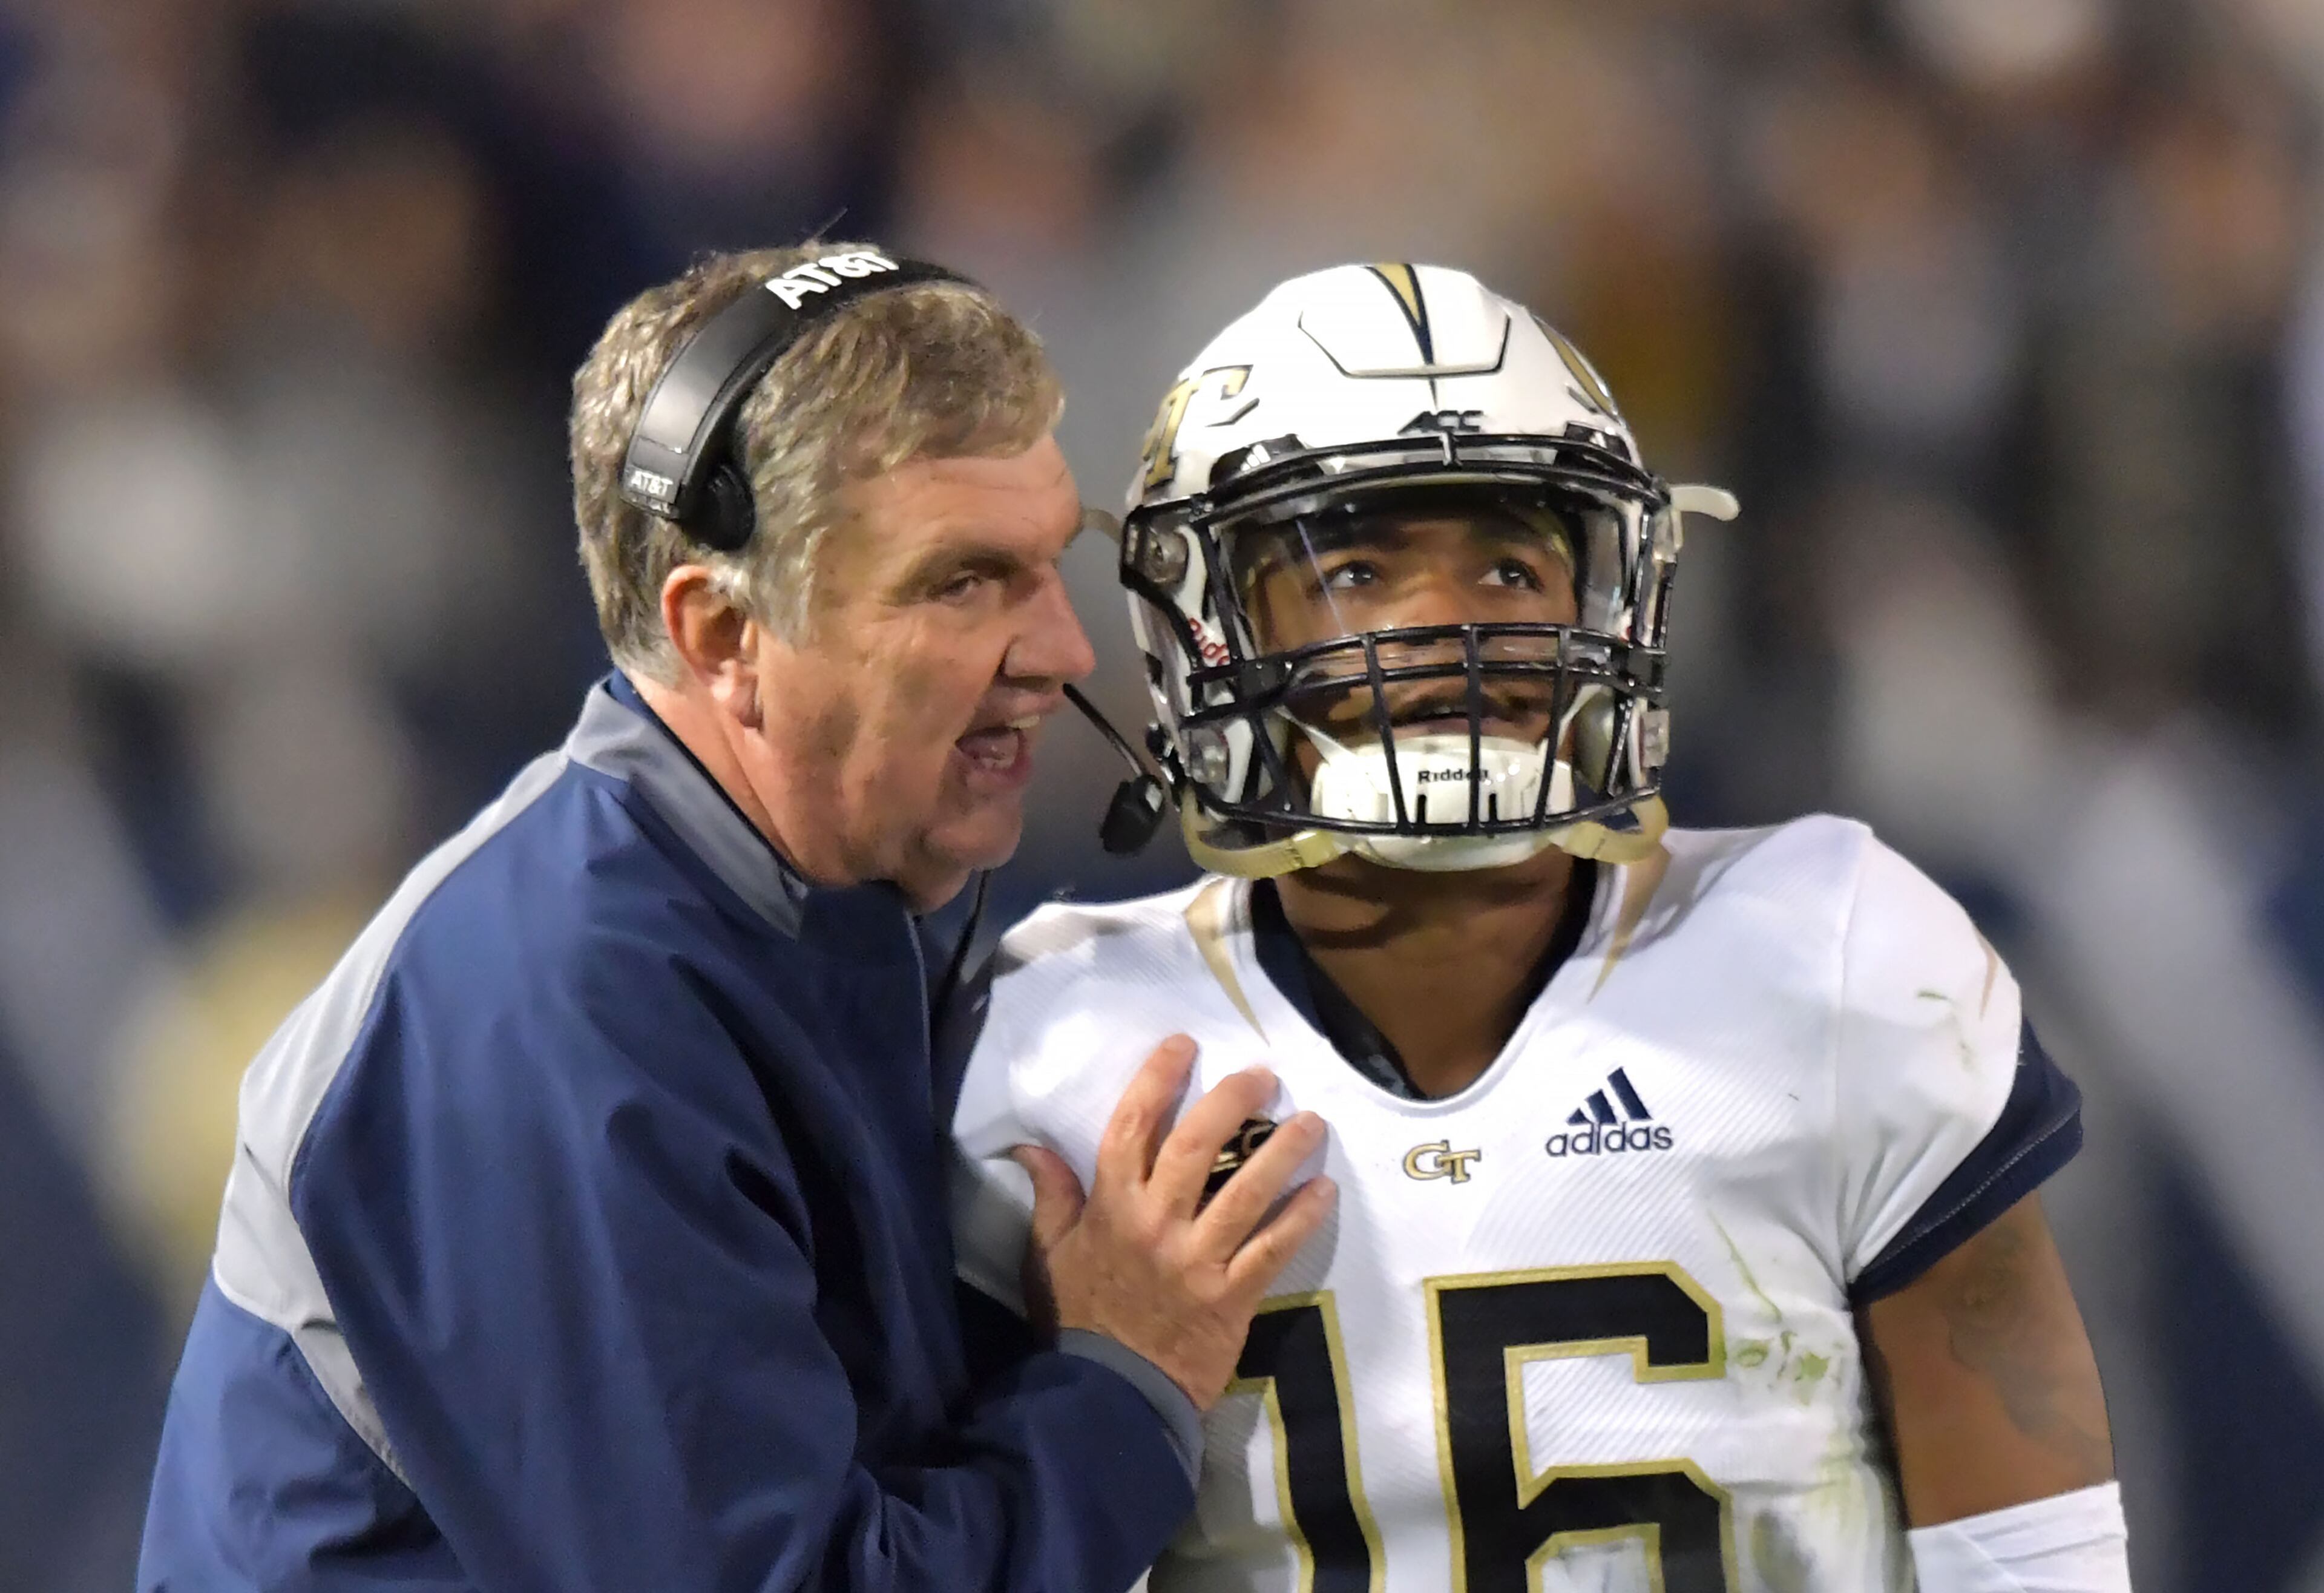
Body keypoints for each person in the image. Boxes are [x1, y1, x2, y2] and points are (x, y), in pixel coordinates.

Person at [137, 241, 1334, 1592]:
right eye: (962, 582)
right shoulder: (544, 1011)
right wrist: (1126, 1377)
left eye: (1051, 564)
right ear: (720, 635)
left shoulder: (823, 901)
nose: (1064, 651)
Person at [953, 263, 2130, 1592]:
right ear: (1202, 626)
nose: (1453, 620)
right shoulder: (1058, 1048)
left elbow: (2036, 1552)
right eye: (1354, 567)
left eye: (1514, 562)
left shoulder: (1836, 950)